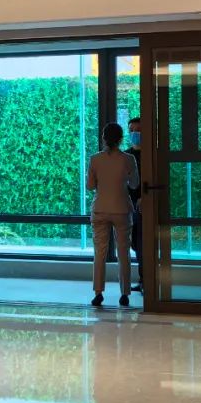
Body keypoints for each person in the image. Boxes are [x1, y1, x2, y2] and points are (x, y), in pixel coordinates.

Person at [87, 123, 140, 307]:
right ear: (121, 139)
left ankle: (98, 293)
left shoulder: (95, 159)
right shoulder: (129, 159)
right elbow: (134, 184)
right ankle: (124, 293)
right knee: (123, 252)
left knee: (99, 253)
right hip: (122, 209)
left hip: (100, 209)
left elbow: (90, 186)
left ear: (103, 138)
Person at [126, 117, 144, 291]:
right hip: (128, 206)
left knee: (143, 243)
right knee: (135, 244)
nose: (134, 134)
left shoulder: (151, 155)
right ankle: (143, 279)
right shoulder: (126, 156)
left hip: (145, 207)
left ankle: (146, 280)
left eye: (138, 130)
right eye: (131, 130)